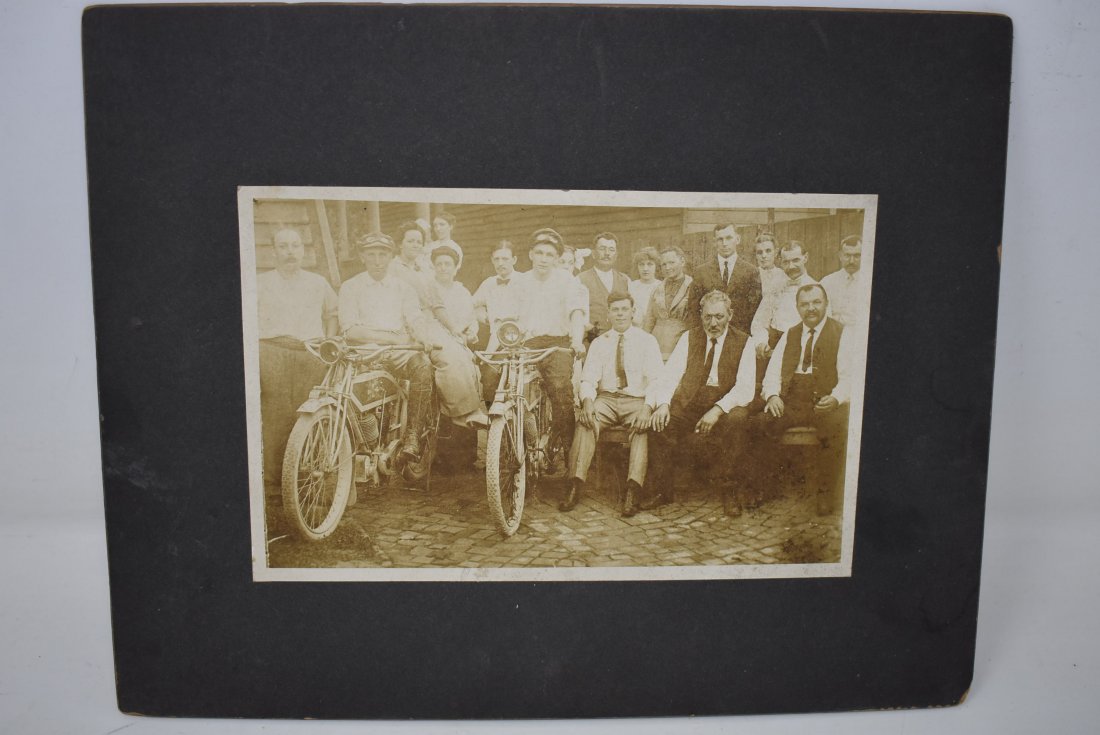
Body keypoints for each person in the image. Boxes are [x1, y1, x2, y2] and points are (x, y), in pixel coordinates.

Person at [645, 291, 758, 516]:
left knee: (737, 420)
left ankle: (729, 490)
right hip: (693, 400)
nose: (713, 323)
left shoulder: (745, 342)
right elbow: (670, 375)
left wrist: (717, 410)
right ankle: (662, 490)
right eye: (708, 317)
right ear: (701, 316)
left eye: (719, 316)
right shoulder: (689, 337)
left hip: (725, 402)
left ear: (730, 315)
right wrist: (663, 404)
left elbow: (745, 388)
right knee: (661, 422)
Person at [337, 232, 435, 464]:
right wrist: (393, 340)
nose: (378, 261)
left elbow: (415, 318)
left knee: (422, 366)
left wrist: (422, 335)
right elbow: (351, 331)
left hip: (397, 353)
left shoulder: (403, 288)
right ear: (362, 257)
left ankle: (412, 435)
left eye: (383, 255)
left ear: (391, 257)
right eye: (371, 254)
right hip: (362, 353)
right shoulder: (350, 287)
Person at [565, 291, 664, 516]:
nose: (620, 314)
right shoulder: (600, 343)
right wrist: (587, 402)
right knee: (586, 421)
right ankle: (575, 484)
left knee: (641, 427)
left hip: (636, 400)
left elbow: (656, 380)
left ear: (633, 312)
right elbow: (588, 378)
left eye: (624, 309)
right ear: (608, 314)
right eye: (615, 310)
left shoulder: (647, 341)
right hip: (607, 399)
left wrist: (648, 408)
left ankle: (633, 489)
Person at [257, 228, 339, 498]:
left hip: (309, 352)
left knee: (308, 414)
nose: (290, 252)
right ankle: (273, 483)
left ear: (303, 250)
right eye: (283, 246)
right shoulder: (260, 282)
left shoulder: (318, 282)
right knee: (275, 415)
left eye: (295, 246)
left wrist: (327, 341)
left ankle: (304, 482)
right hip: (272, 350)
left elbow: (332, 313)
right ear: (274, 252)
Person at [758, 284, 853, 515]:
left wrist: (836, 398)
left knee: (835, 427)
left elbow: (850, 377)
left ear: (826, 304)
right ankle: (765, 487)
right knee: (761, 423)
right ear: (797, 307)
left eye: (816, 302)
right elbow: (772, 373)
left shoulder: (841, 333)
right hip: (793, 400)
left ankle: (825, 494)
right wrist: (773, 395)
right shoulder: (790, 334)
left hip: (825, 401)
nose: (811, 308)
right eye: (805, 304)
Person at [497, 228, 587, 468]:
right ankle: (511, 449)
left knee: (560, 390)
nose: (544, 259)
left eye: (549, 254)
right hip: (525, 344)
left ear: (557, 258)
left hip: (557, 344)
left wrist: (577, 340)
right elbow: (508, 316)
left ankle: (568, 457)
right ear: (531, 254)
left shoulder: (567, 281)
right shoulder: (519, 281)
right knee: (507, 387)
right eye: (539, 253)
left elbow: (576, 313)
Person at [387, 221, 487, 429]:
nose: (415, 245)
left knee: (458, 351)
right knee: (447, 355)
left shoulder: (424, 271)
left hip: (426, 323)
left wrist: (454, 330)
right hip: (402, 324)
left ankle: (466, 410)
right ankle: (462, 411)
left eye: (419, 241)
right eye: (410, 241)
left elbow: (437, 305)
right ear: (400, 244)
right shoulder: (391, 268)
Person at [750, 240, 821, 362]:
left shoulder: (817, 289)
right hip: (773, 350)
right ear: (780, 262)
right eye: (786, 262)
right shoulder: (774, 286)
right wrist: (761, 342)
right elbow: (760, 321)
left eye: (796, 260)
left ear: (805, 258)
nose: (791, 266)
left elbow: (823, 329)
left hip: (804, 351)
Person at [693, 223, 763, 333]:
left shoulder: (751, 271)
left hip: (741, 334)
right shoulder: (701, 272)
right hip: (710, 333)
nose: (724, 243)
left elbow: (754, 309)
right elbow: (694, 310)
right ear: (714, 242)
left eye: (729, 238)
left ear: (738, 239)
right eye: (720, 239)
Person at [642, 245, 704, 360]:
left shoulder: (693, 286)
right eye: (664, 264)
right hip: (656, 345)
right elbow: (649, 320)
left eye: (671, 262)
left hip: (681, 344)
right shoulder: (657, 289)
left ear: (682, 261)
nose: (667, 267)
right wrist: (644, 344)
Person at [577, 232, 631, 337]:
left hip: (619, 338)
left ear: (616, 255)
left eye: (611, 250)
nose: (607, 253)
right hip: (590, 339)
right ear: (593, 253)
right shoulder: (580, 280)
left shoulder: (625, 280)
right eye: (602, 249)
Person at [431, 246, 478, 346]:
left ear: (455, 267)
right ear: (434, 267)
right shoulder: (428, 289)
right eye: (439, 264)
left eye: (447, 264)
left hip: (459, 340)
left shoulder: (462, 292)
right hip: (436, 341)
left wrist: (472, 332)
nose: (443, 268)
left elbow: (472, 319)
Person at [818, 235, 866, 329]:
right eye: (847, 255)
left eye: (857, 256)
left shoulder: (868, 282)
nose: (851, 261)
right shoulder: (827, 282)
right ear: (840, 256)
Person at [628, 246, 663, 327]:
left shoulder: (661, 286)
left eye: (650, 264)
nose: (645, 269)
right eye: (641, 264)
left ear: (656, 266)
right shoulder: (631, 286)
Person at [754, 232, 788, 297]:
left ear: (776, 252)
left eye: (768, 251)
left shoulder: (783, 275)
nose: (764, 256)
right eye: (759, 252)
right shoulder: (752, 275)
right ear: (756, 255)